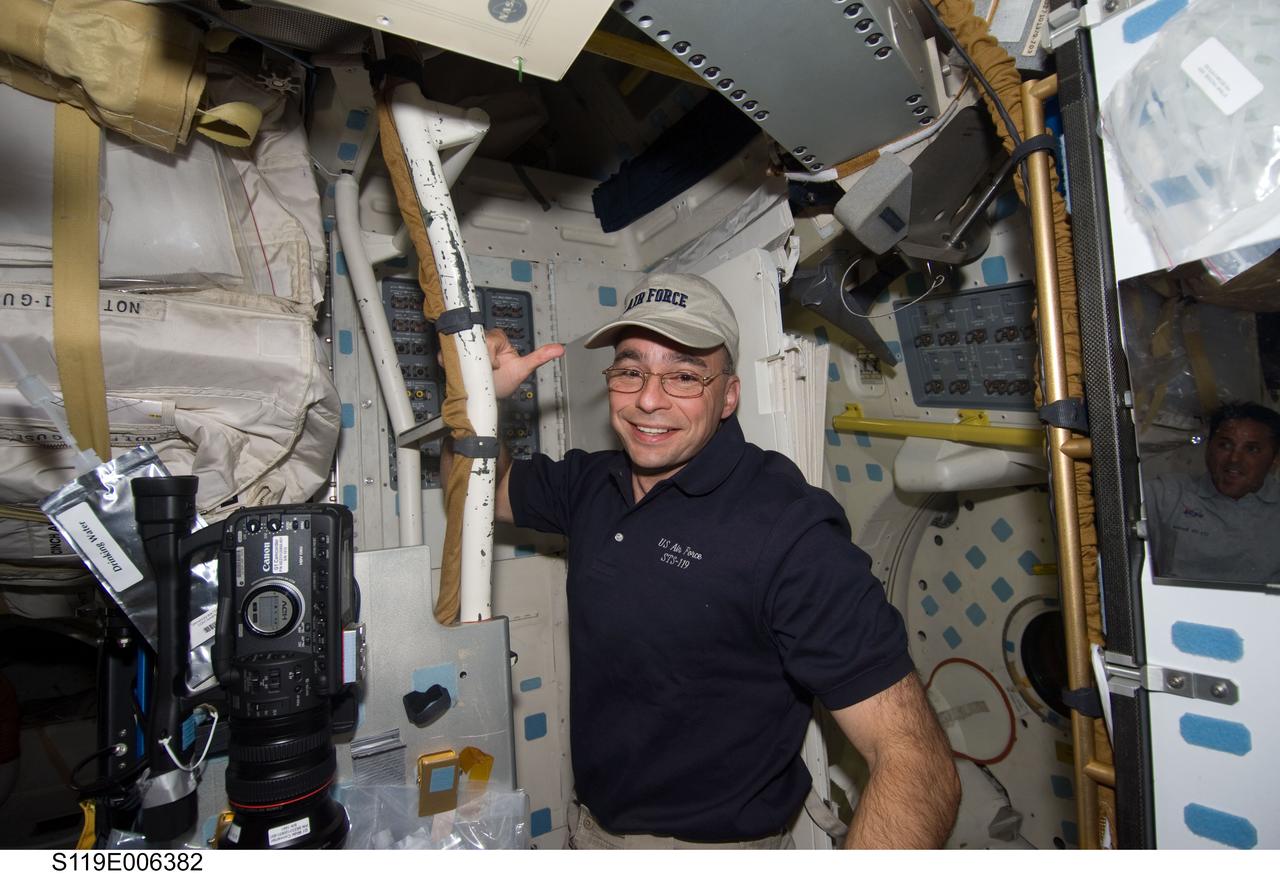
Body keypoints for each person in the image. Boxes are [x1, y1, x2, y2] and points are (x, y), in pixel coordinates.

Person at [447, 272, 959, 848]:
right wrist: (476, 400)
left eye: (685, 376)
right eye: (631, 371)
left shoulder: (789, 530)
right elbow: (479, 492)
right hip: (590, 829)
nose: (648, 399)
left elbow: (917, 764)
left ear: (729, 397)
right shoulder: (592, 482)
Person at [1146, 401, 1280, 582]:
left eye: (1251, 449)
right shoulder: (1167, 496)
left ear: (1275, 459)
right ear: (1208, 448)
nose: (1234, 459)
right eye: (1225, 445)